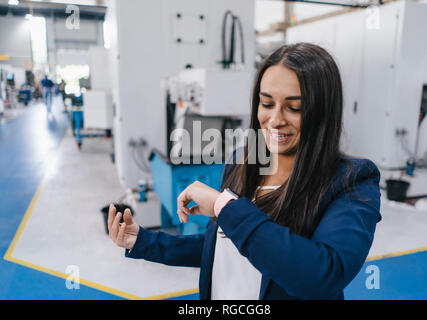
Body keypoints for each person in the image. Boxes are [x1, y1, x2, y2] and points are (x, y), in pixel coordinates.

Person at [107, 43, 382, 300]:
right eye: (266, 103)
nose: (275, 120)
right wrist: (146, 242)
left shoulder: (352, 181)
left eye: (294, 107)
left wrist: (222, 205)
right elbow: (225, 244)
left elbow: (321, 276)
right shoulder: (243, 162)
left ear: (323, 111)